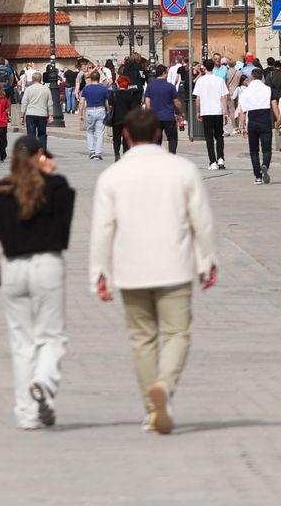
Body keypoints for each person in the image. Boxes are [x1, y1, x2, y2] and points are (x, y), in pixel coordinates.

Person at [87, 108, 221, 435]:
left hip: (130, 270)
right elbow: (200, 220)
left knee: (141, 340)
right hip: (174, 266)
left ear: (126, 135)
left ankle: (151, 409)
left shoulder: (112, 176)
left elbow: (102, 229)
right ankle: (165, 385)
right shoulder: (183, 170)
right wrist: (207, 261)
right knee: (177, 333)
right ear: (159, 134)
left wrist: (99, 273)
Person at [0, 136, 75, 429]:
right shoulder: (58, 188)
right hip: (47, 264)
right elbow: (64, 231)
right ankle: (44, 382)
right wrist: (50, 175)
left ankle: (27, 414)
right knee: (51, 337)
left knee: (21, 343)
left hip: (11, 268)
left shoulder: (1, 191)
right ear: (41, 155)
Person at [237, 67, 275, 184]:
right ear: (261, 76)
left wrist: (242, 127)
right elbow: (274, 105)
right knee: (267, 149)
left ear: (252, 77)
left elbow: (242, 111)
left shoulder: (246, 92)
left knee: (254, 151)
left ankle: (257, 176)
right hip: (265, 120)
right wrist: (278, 119)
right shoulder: (268, 90)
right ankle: (265, 165)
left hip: (252, 121)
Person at [192, 65, 228, 169]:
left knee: (209, 137)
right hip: (218, 111)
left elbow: (198, 98)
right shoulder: (219, 80)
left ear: (204, 68)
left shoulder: (200, 81)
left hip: (206, 111)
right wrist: (226, 112)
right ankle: (220, 158)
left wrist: (198, 111)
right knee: (219, 135)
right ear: (213, 68)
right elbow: (224, 97)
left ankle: (212, 162)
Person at [143, 64, 182, 157]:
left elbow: (147, 102)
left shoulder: (150, 86)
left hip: (155, 117)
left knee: (156, 139)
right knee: (172, 138)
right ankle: (172, 156)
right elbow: (176, 102)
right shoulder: (170, 87)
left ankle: (157, 157)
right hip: (169, 117)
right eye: (167, 73)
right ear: (164, 73)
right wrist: (181, 113)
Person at [81, 68, 111, 161]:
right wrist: (109, 111)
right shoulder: (103, 89)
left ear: (91, 79)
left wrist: (80, 114)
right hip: (100, 109)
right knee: (100, 133)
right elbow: (107, 103)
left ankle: (92, 152)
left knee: (90, 131)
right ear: (99, 79)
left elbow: (81, 102)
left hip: (90, 110)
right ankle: (98, 153)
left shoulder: (86, 89)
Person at [21, 69, 53, 151]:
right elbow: (50, 103)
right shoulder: (46, 89)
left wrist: (22, 115)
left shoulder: (29, 89)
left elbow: (24, 102)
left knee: (31, 135)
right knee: (42, 134)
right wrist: (51, 115)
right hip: (42, 114)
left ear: (32, 79)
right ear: (40, 79)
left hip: (30, 114)